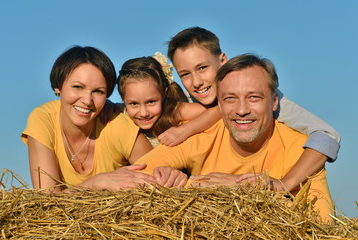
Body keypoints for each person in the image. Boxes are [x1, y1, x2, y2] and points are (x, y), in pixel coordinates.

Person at [134, 54, 334, 222]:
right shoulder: (199, 136)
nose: (241, 110)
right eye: (230, 98)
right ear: (219, 105)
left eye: (254, 97)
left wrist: (247, 190)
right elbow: (135, 176)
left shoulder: (303, 152)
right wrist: (182, 182)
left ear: (274, 102)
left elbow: (321, 228)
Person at [161, 26, 340, 192]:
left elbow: (328, 136)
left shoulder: (264, 96)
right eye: (185, 74)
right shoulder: (188, 98)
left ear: (223, 60)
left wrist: (284, 184)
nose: (196, 82)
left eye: (202, 68)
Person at [21, 46, 186, 192]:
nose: (87, 100)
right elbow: (47, 202)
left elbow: (158, 174)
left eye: (98, 91)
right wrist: (96, 182)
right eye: (77, 87)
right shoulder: (43, 120)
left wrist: (169, 175)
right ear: (58, 86)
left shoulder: (115, 124)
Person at [117, 52, 218, 148]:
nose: (144, 113)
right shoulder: (120, 114)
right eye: (134, 104)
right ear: (123, 99)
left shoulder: (173, 111)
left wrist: (185, 129)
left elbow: (220, 109)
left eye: (151, 102)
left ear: (164, 94)